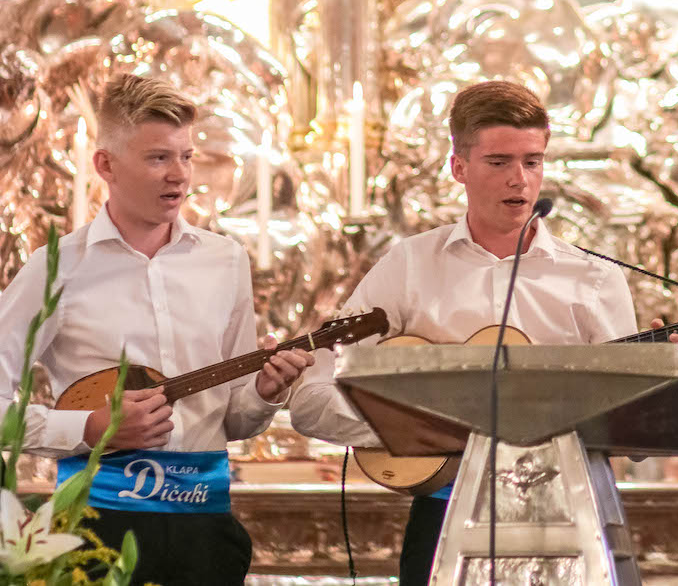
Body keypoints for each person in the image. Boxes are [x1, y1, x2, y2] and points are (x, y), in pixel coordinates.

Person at [290, 77, 638, 586]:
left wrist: (659, 379)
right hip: (444, 517)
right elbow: (311, 395)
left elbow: (629, 429)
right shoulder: (409, 266)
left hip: (564, 521)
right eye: (499, 163)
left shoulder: (594, 277)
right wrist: (416, 431)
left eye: (532, 161)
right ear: (459, 167)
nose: (519, 179)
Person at [0, 74, 313, 586]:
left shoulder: (225, 260)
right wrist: (86, 430)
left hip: (205, 530)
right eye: (157, 158)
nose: (180, 176)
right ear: (105, 165)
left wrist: (263, 392)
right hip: (95, 530)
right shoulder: (55, 267)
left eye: (186, 156)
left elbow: (234, 420)